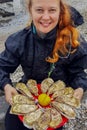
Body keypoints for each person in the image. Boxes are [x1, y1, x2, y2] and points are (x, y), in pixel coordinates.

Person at [0, 0, 87, 130]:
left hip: (57, 101)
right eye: (39, 10)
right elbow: (2, 66)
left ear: (60, 11)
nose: (45, 17)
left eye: (52, 10)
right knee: (12, 124)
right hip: (28, 94)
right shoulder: (19, 41)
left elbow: (78, 73)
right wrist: (6, 86)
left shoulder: (72, 41)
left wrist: (79, 88)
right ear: (30, 10)